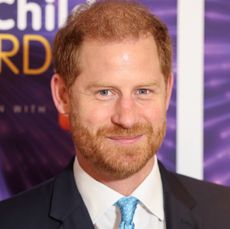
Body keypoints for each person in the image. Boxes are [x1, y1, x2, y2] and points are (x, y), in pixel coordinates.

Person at [0, 1, 230, 228]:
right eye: (105, 92)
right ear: (62, 96)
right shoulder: (10, 222)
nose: (126, 118)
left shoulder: (224, 214)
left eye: (143, 91)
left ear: (168, 91)